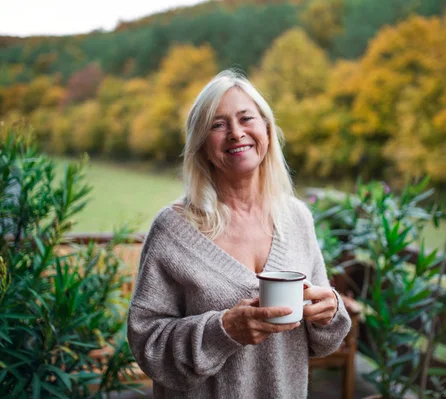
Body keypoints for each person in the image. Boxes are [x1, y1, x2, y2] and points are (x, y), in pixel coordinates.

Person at [127, 70, 351, 399]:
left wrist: (331, 310)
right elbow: (147, 342)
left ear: (267, 130)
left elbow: (322, 340)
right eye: (217, 125)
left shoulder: (297, 218)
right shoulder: (173, 230)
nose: (235, 133)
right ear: (201, 145)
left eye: (246, 118)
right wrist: (223, 330)